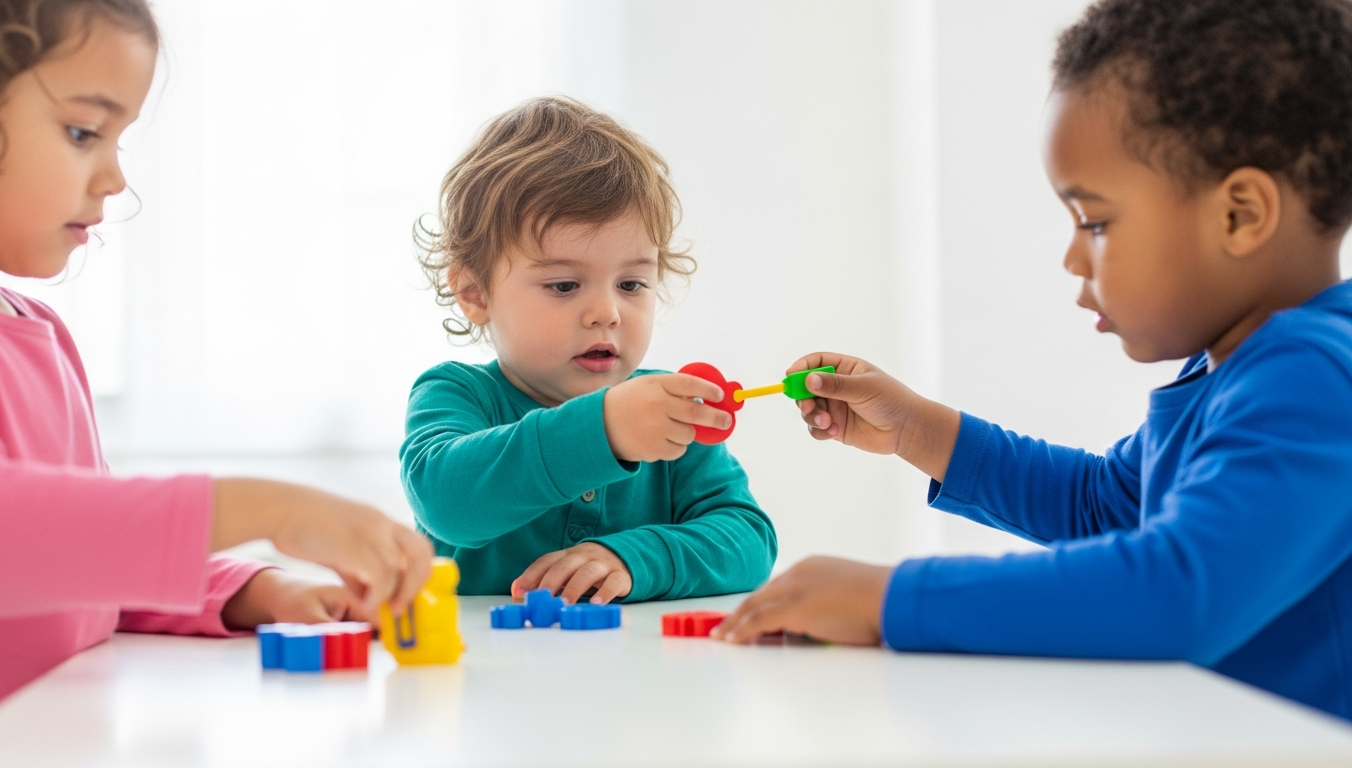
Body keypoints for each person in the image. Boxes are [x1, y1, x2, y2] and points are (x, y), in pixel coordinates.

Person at [715, 0, 1352, 720]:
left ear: (1240, 214)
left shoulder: (1313, 379)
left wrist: (888, 599)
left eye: (1097, 222)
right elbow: (1106, 508)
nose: (1073, 257)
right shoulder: (1236, 369)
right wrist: (914, 430)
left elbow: (1175, 591)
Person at [0, 0, 432, 735]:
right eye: (83, 132)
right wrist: (270, 509)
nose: (114, 178)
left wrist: (255, 589)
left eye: (119, 140)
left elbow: (80, 556)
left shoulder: (40, 331)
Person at [403, 96, 776, 605]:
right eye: (563, 285)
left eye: (631, 284)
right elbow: (447, 503)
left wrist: (635, 557)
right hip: (483, 680)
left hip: (637, 677)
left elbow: (749, 542)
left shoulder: (675, 411)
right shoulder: (458, 394)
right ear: (474, 293)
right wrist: (604, 431)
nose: (607, 313)